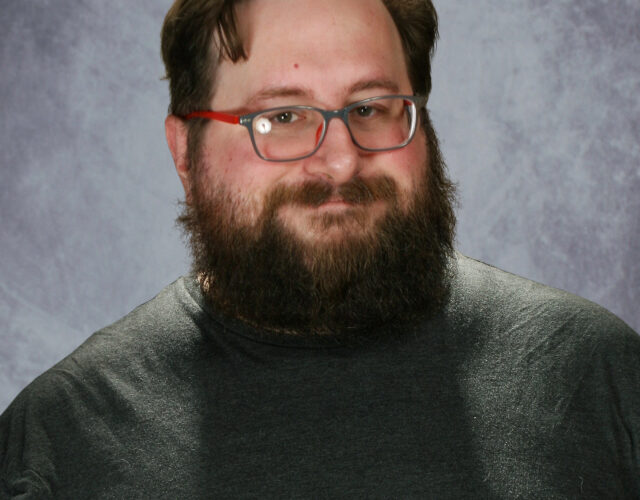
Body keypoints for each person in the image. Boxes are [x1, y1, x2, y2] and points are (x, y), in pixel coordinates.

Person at [1, 0, 638, 497]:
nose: (341, 159)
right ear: (183, 152)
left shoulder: (602, 378)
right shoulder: (59, 442)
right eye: (280, 117)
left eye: (373, 106)